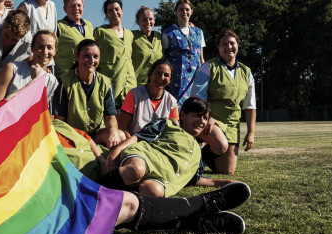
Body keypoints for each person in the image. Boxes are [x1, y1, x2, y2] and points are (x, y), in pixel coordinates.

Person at [0, 85, 250, 234]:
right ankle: (197, 212)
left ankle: (192, 219)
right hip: (48, 202)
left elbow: (15, 117)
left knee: (123, 199)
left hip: (67, 178)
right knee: (122, 199)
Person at [102, 97, 232, 198]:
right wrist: (116, 151)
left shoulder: (197, 152)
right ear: (183, 115)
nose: (201, 121)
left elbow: (194, 178)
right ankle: (92, 190)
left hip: (161, 175)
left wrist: (222, 183)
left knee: (153, 190)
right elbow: (139, 137)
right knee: (137, 170)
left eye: (205, 118)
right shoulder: (167, 124)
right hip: (144, 156)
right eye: (197, 115)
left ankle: (117, 197)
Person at [190, 29, 256, 174]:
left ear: (238, 45)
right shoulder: (208, 67)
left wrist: (251, 132)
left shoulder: (247, 72)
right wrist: (208, 118)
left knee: (227, 170)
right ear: (218, 47)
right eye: (224, 44)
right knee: (220, 144)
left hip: (232, 125)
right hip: (210, 121)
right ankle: (193, 157)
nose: (229, 47)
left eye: (232, 43)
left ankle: (201, 158)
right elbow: (196, 98)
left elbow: (250, 106)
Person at [52, 39, 125, 148]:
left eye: (95, 57)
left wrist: (113, 131)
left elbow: (110, 117)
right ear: (77, 57)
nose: (91, 60)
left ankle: (114, 163)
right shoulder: (64, 82)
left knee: (120, 136)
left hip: (96, 135)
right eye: (86, 56)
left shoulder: (106, 83)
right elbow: (60, 122)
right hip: (73, 135)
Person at [0, 29, 59, 108]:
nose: (45, 52)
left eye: (50, 48)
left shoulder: (51, 80)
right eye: (40, 47)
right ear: (32, 48)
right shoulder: (12, 69)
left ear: (55, 51)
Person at [118, 59, 179, 137]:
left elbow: (174, 131)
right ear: (150, 74)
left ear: (170, 80)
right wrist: (131, 142)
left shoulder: (171, 101)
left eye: (166, 75)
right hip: (133, 142)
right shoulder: (134, 94)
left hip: (158, 145)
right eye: (158, 73)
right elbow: (122, 127)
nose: (161, 78)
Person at [94, 0, 136, 108]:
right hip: (111, 85)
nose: (114, 13)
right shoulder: (100, 32)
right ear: (106, 14)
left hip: (130, 86)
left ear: (122, 11)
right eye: (110, 10)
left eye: (117, 9)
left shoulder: (130, 35)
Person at [162, 0, 205, 103]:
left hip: (195, 80)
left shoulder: (198, 32)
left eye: (187, 9)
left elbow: (201, 58)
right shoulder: (168, 33)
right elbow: (163, 58)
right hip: (175, 82)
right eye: (181, 10)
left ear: (191, 11)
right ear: (176, 12)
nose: (184, 12)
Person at [53, 0, 95, 77]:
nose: (76, 8)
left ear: (83, 7)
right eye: (72, 6)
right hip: (66, 78)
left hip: (88, 77)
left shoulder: (89, 25)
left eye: (79, 5)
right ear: (65, 9)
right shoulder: (58, 26)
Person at [132, 6, 164, 86]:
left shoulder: (160, 37)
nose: (148, 22)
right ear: (137, 22)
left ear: (154, 20)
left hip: (157, 85)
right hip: (138, 85)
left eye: (150, 19)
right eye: (144, 20)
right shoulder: (131, 36)